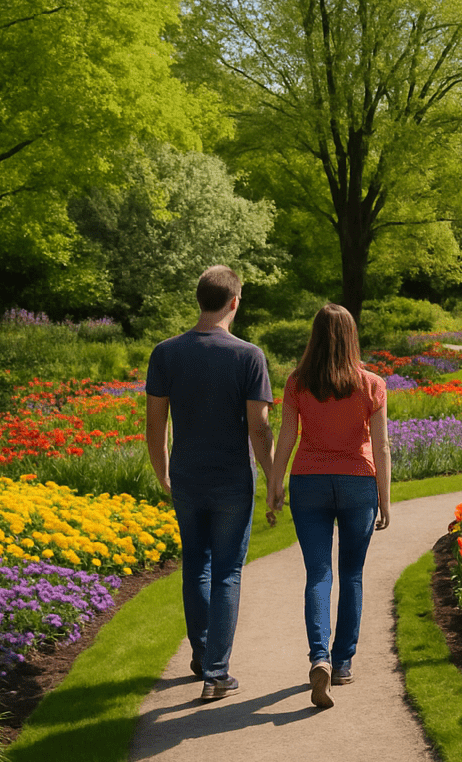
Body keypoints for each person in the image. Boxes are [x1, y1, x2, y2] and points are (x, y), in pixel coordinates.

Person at [145, 265, 275, 701]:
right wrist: (274, 476)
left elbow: (155, 424)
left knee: (195, 567)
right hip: (232, 480)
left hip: (186, 475)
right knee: (226, 573)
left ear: (199, 300)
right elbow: (259, 428)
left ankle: (203, 657)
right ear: (235, 302)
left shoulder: (166, 352)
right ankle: (216, 673)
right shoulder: (248, 356)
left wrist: (162, 470)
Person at [268, 305, 392, 709]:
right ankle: (342, 664)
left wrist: (274, 483)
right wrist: (384, 498)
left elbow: (287, 435)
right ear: (351, 336)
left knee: (318, 574)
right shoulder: (372, 384)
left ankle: (318, 656)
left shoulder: (298, 382)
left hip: (309, 482)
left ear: (315, 336)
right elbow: (382, 446)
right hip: (358, 482)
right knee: (352, 575)